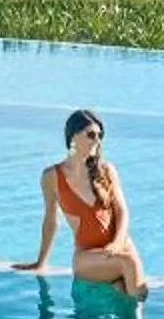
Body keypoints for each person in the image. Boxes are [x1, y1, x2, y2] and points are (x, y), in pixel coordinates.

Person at [13, 108, 148, 298]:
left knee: (135, 291)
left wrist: (117, 243)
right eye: (91, 135)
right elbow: (51, 220)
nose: (97, 141)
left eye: (100, 136)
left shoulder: (106, 170)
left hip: (120, 247)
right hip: (87, 257)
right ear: (73, 137)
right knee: (129, 266)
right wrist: (41, 262)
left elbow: (122, 211)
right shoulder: (52, 176)